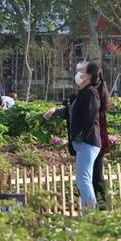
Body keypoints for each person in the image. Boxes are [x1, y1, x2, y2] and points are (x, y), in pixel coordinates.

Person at [44, 61, 103, 213]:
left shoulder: (90, 93)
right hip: (83, 143)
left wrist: (80, 136)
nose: (77, 74)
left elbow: (90, 117)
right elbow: (71, 110)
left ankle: (90, 214)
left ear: (88, 76)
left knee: (83, 180)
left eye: (80, 71)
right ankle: (87, 212)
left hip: (88, 142)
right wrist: (56, 111)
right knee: (83, 180)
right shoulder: (82, 93)